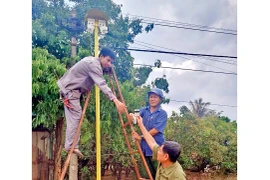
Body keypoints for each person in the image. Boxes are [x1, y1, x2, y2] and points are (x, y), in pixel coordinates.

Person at [57, 47, 126, 157]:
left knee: (76, 116)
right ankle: (71, 145)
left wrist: (106, 68)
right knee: (76, 116)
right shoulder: (94, 65)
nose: (109, 64)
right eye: (108, 60)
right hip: (70, 91)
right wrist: (116, 101)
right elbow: (102, 84)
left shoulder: (92, 61)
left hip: (71, 89)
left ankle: (72, 145)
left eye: (111, 62)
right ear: (101, 56)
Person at [132, 116, 186, 180]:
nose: (157, 151)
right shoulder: (164, 162)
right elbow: (152, 142)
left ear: (166, 156)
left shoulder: (177, 175)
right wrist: (141, 124)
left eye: (160, 151)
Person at [133, 88, 168, 179]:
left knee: (159, 174)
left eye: (155, 97)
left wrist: (140, 137)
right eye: (151, 97)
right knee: (146, 175)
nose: (152, 99)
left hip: (157, 150)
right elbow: (135, 118)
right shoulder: (144, 110)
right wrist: (131, 116)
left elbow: (155, 130)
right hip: (144, 149)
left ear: (160, 99)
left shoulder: (162, 113)